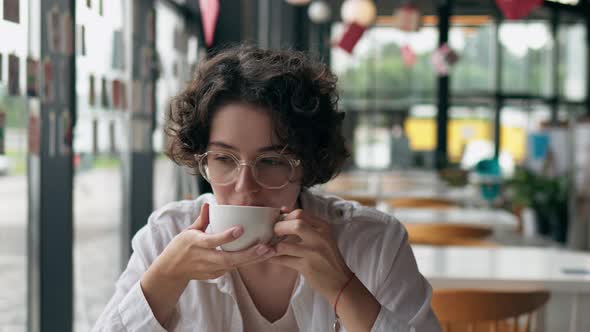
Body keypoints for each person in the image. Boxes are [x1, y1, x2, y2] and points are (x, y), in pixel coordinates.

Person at [92, 45, 441, 332]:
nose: (245, 188)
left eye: (272, 162)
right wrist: (165, 279)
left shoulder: (373, 242)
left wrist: (343, 287)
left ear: (308, 163)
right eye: (224, 159)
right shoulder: (166, 235)